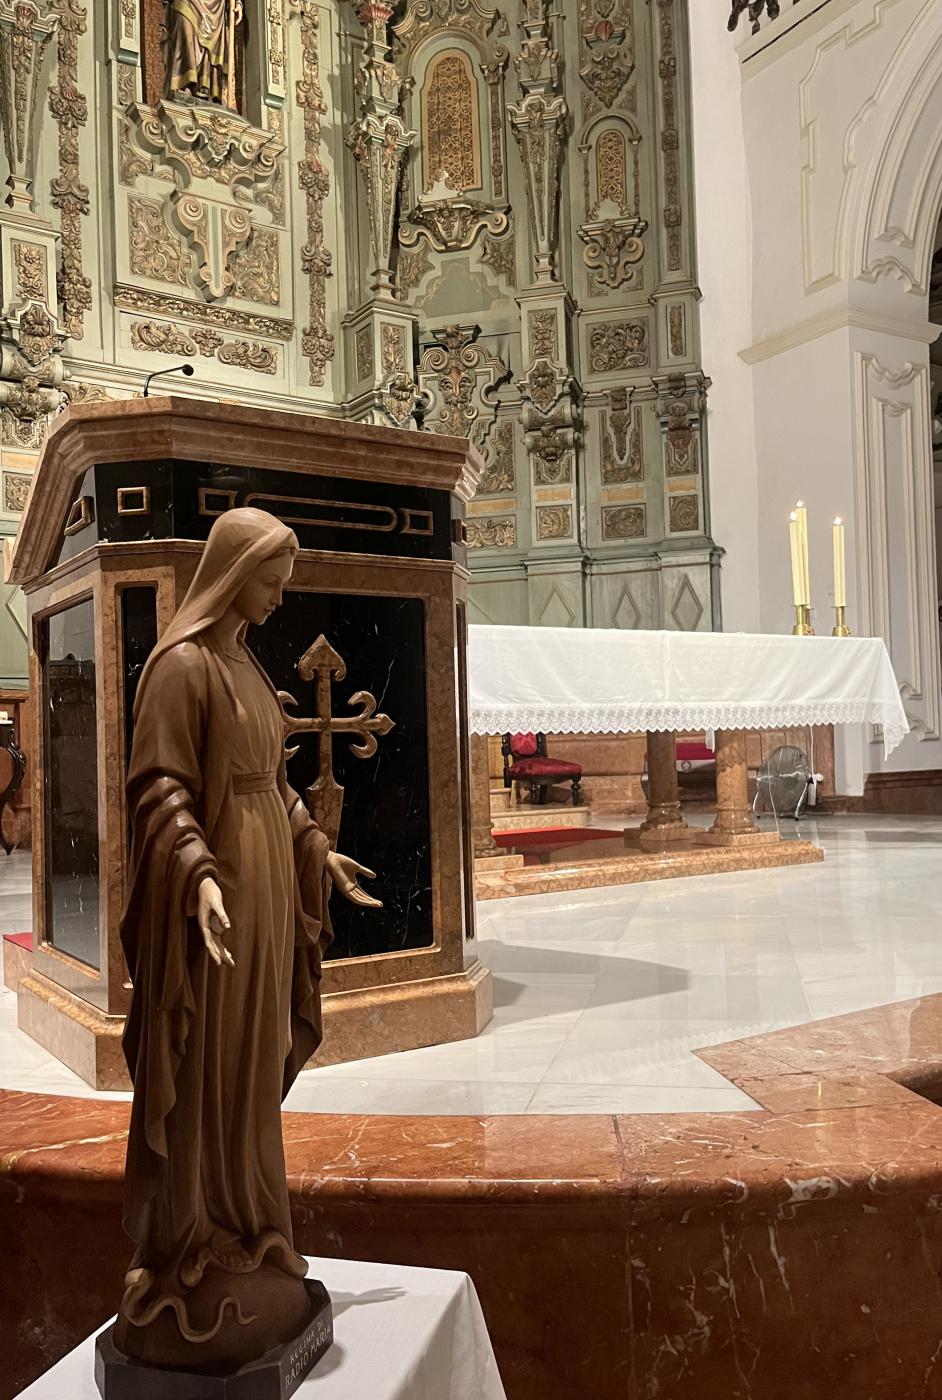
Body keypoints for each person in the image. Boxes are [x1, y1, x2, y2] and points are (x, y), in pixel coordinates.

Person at [114, 507, 377, 1369]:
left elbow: (274, 784)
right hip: (218, 903)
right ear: (234, 573)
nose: (280, 595)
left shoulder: (243, 662)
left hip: (268, 890)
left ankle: (253, 1227)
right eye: (271, 580)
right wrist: (195, 878)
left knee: (255, 1061)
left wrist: (317, 851)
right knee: (213, 1063)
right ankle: (196, 1239)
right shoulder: (181, 667)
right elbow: (159, 787)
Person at [165, 0, 243, 106]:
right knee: (185, 28)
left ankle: (204, 87)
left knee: (209, 48)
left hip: (215, 5)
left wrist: (238, 3)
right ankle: (186, 83)